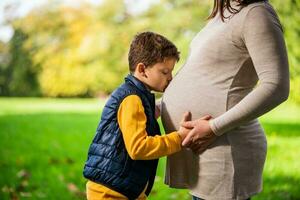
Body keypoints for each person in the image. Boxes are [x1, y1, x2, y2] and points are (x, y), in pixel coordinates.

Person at [160, 0, 290, 200]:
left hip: (225, 148)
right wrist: (160, 105)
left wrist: (213, 127)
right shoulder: (220, 17)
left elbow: (276, 85)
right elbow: (205, 75)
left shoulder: (256, 13)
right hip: (203, 149)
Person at [83, 31, 199, 200]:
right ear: (142, 69)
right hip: (111, 193)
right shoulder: (132, 99)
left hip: (123, 188)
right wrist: (179, 138)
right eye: (165, 72)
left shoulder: (138, 96)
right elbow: (138, 148)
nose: (170, 78)